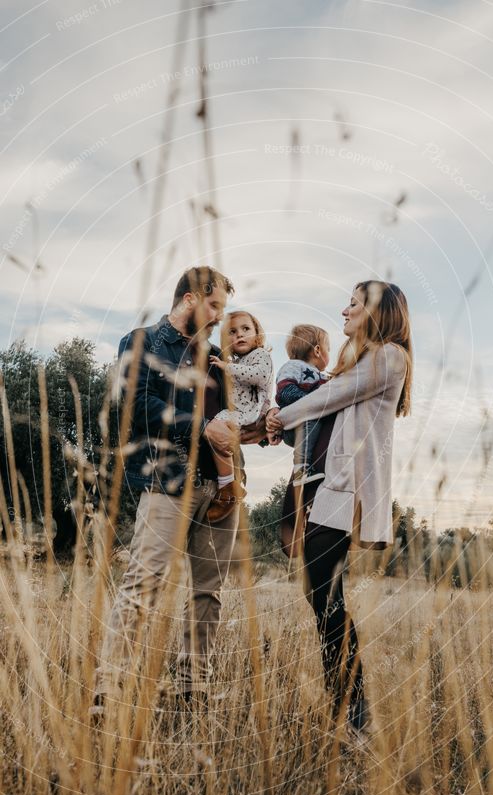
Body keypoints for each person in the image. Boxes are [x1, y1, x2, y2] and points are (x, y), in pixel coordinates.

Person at [93, 266, 266, 716]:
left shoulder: (217, 355)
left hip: (223, 489)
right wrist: (202, 427)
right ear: (190, 299)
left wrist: (254, 432)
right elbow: (134, 406)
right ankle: (109, 692)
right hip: (168, 482)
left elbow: (235, 413)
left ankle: (194, 690)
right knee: (143, 582)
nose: (219, 318)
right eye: (214, 307)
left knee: (208, 592)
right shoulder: (143, 342)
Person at [267, 280, 412, 741]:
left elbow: (331, 397)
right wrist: (269, 424)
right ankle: (347, 708)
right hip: (328, 489)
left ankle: (354, 715)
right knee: (321, 597)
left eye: (353, 302)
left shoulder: (390, 356)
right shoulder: (358, 362)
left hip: (348, 493)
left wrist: (281, 416)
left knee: (325, 598)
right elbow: (326, 403)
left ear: (376, 311)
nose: (344, 309)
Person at [207, 310, 274, 523]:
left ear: (257, 334)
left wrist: (227, 367)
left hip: (249, 411)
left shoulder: (260, 355)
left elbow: (260, 376)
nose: (239, 335)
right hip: (242, 411)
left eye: (246, 329)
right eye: (232, 332)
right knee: (220, 436)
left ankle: (228, 485)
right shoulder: (239, 359)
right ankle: (229, 483)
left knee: (217, 426)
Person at [274, 324, 330, 486]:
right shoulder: (293, 366)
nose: (329, 352)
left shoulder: (322, 375)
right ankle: (301, 471)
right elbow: (284, 391)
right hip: (295, 426)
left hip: (311, 431)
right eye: (329, 348)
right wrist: (310, 402)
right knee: (310, 415)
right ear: (318, 350)